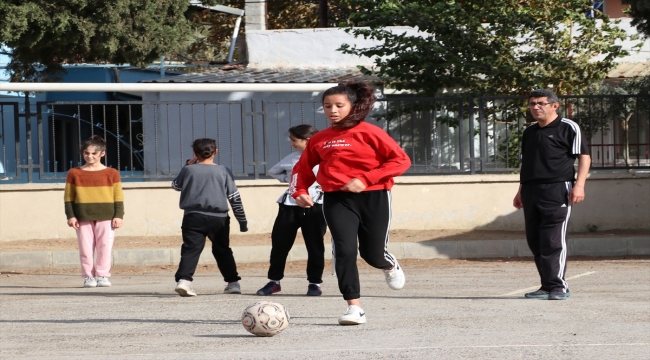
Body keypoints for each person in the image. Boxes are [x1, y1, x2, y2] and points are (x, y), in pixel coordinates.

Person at [290, 81, 412, 325]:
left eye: (338, 105)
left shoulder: (371, 132)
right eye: (327, 106)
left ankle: (387, 264)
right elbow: (302, 169)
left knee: (372, 253)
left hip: (374, 196)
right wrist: (300, 191)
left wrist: (365, 179)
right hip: (336, 199)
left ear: (352, 106)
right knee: (344, 250)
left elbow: (401, 161)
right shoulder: (319, 139)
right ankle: (354, 307)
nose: (332, 110)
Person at [513, 89, 591, 301]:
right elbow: (527, 163)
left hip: (557, 189)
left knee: (553, 240)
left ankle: (559, 286)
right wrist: (520, 191)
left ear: (554, 106)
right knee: (535, 240)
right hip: (531, 190)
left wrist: (579, 185)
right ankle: (546, 285)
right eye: (531, 104)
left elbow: (584, 157)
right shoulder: (529, 132)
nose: (535, 107)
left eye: (540, 103)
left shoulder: (568, 127)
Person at [171, 138, 248, 297]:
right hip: (219, 218)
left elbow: (176, 186)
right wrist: (242, 221)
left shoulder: (188, 170)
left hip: (193, 216)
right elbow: (234, 197)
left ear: (195, 153)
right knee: (223, 250)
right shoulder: (223, 171)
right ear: (216, 151)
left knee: (191, 249)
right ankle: (233, 283)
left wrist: (188, 166)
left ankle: (184, 281)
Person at [257, 125, 327, 297]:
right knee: (280, 244)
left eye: (294, 140)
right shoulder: (293, 158)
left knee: (315, 245)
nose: (291, 144)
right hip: (289, 205)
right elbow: (274, 171)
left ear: (308, 141)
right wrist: (289, 180)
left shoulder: (325, 158)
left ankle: (314, 283)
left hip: (315, 206)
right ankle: (274, 281)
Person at [64, 135, 124, 288]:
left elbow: (118, 196)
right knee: (85, 247)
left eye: (93, 153)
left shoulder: (112, 173)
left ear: (102, 154)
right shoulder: (74, 173)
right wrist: (71, 216)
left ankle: (103, 275)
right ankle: (88, 276)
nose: (89, 156)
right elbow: (69, 197)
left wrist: (118, 215)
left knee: (105, 246)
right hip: (83, 216)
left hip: (107, 216)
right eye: (86, 153)